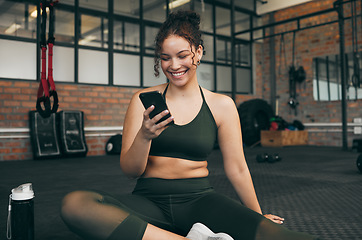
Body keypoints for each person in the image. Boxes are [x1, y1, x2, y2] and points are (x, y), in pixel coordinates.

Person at [61, 10, 320, 240]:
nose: (174, 66)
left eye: (182, 55)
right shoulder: (142, 101)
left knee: (278, 235)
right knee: (76, 204)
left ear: (198, 52)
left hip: (201, 200)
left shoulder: (222, 105)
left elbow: (238, 168)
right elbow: (131, 171)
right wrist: (144, 136)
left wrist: (257, 216)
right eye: (165, 58)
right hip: (148, 202)